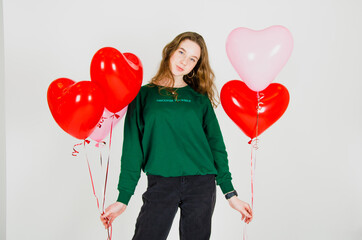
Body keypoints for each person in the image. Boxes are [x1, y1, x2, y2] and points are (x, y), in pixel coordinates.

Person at [100, 32, 253, 240]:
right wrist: (123, 198)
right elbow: (132, 150)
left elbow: (216, 145)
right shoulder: (142, 95)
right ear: (170, 50)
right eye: (182, 52)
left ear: (196, 65)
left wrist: (230, 193)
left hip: (201, 184)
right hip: (161, 183)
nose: (184, 61)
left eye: (192, 59)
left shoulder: (199, 99)